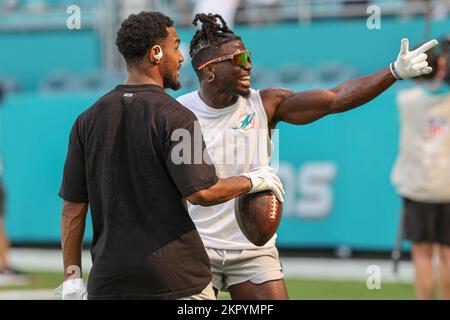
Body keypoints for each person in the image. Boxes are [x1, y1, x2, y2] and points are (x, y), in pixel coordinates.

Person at [177, 13, 438, 299]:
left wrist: (394, 72)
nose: (248, 65)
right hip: (198, 249)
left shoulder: (265, 103)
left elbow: (335, 98)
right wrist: (252, 181)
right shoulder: (180, 114)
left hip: (253, 251)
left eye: (248, 56)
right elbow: (192, 193)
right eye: (238, 60)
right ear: (209, 71)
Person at [57, 11, 284, 300]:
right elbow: (202, 192)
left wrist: (72, 276)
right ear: (155, 53)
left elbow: (73, 209)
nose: (181, 58)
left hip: (109, 283)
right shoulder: (178, 116)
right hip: (177, 281)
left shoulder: (86, 120)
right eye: (176, 46)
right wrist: (254, 180)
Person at [391, 45, 450, 300]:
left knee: (422, 255)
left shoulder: (405, 100)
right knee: (448, 255)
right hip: (447, 187)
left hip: (419, 188)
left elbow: (416, 83)